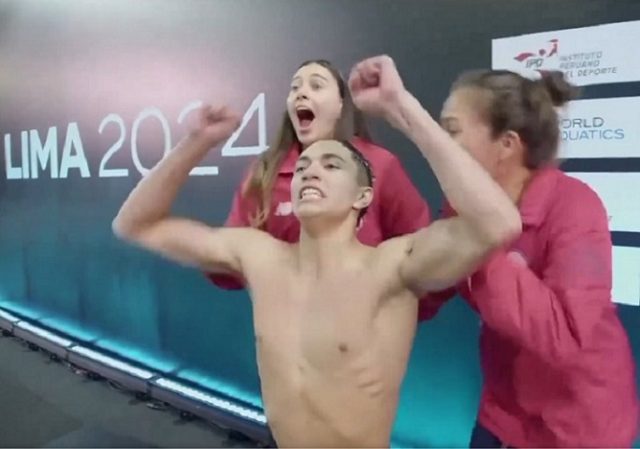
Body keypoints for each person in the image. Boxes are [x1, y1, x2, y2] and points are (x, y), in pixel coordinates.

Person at [112, 55, 521, 448]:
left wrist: (401, 107)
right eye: (304, 167)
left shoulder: (394, 268)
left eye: (331, 165)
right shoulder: (259, 256)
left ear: (364, 194)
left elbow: (497, 223)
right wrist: (196, 141)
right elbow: (135, 224)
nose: (310, 171)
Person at [419, 69, 639, 447]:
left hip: (579, 425)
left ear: (507, 144)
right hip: (503, 411)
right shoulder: (459, 209)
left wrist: (483, 241)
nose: (440, 145)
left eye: (451, 130)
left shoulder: (576, 206)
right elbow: (427, 291)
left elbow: (565, 334)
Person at [206, 59, 431, 290]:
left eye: (316, 86)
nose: (301, 93)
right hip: (288, 321)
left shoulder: (381, 165)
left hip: (364, 321)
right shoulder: (265, 171)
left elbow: (423, 254)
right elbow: (226, 263)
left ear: (341, 104)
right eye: (295, 88)